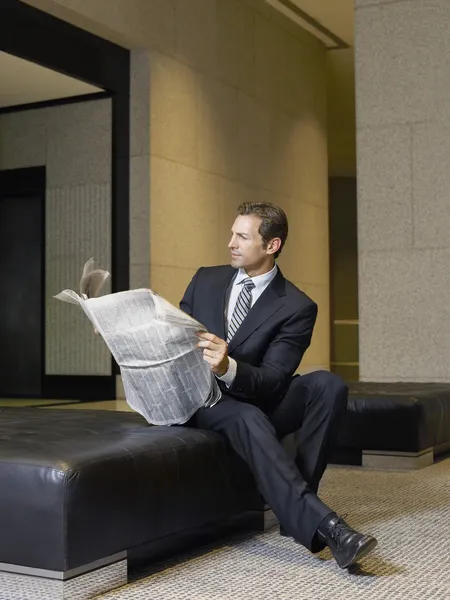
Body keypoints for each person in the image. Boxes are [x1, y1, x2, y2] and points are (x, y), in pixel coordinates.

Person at [180, 202, 377, 569]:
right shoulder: (205, 279)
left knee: (328, 386)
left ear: (272, 246)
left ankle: (297, 507)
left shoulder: (298, 306)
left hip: (254, 392)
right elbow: (174, 336)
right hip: (203, 400)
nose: (230, 243)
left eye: (242, 236)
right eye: (232, 233)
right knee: (246, 417)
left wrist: (229, 366)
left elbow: (273, 379)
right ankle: (326, 526)